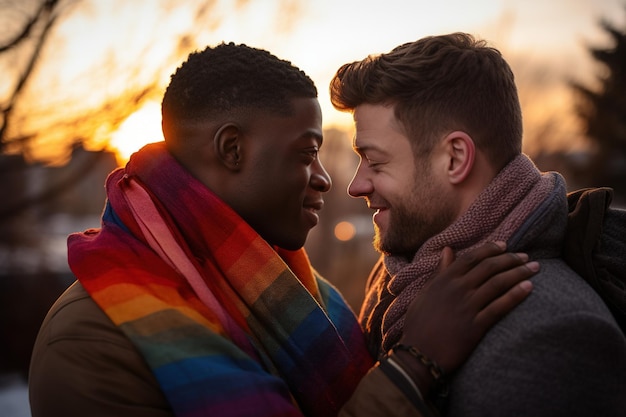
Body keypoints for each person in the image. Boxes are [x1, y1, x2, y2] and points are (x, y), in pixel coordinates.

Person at [28, 42, 537, 417]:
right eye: (307, 153)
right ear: (232, 150)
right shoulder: (89, 344)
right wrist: (413, 366)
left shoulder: (301, 298)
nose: (328, 179)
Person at [329, 32, 626, 416]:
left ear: (454, 158)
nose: (356, 185)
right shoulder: (401, 275)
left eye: (376, 161)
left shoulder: (553, 335)